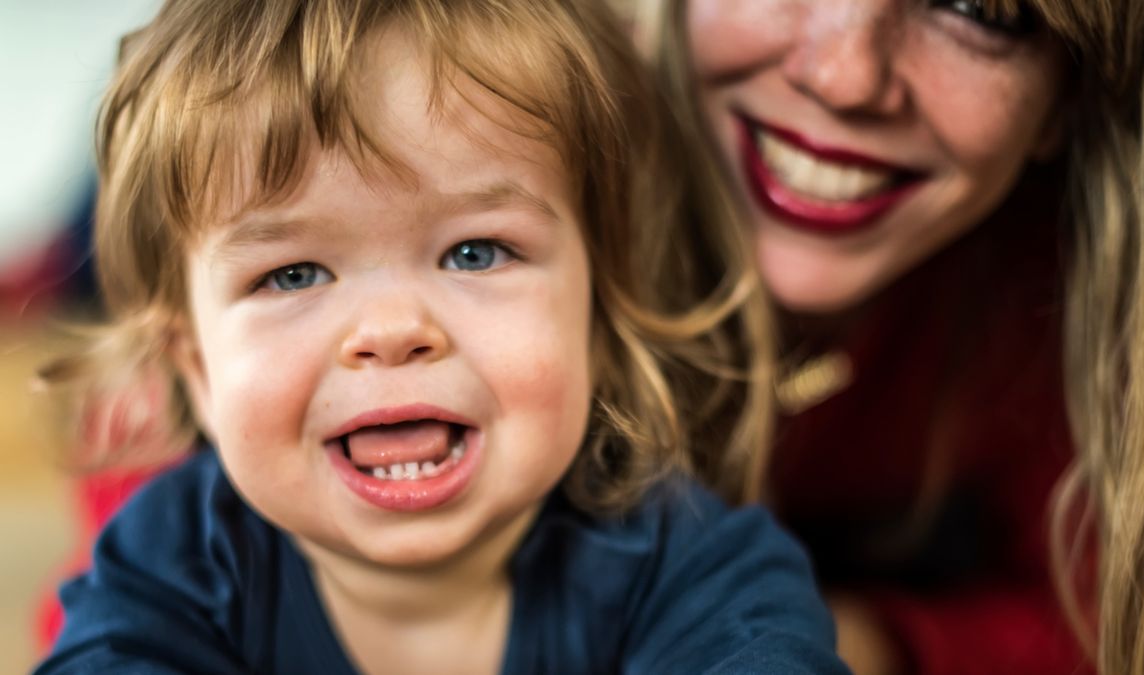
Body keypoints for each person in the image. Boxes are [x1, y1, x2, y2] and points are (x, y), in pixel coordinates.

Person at [34, 1, 848, 673]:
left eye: (475, 252)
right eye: (293, 274)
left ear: (599, 320)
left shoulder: (689, 560)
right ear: (198, 371)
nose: (392, 333)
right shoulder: (172, 564)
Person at [640, 1, 1144, 674]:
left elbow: (1116, 618)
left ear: (1067, 97)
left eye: (980, 9)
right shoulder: (524, 141)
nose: (842, 76)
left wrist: (859, 639)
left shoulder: (1053, 293)